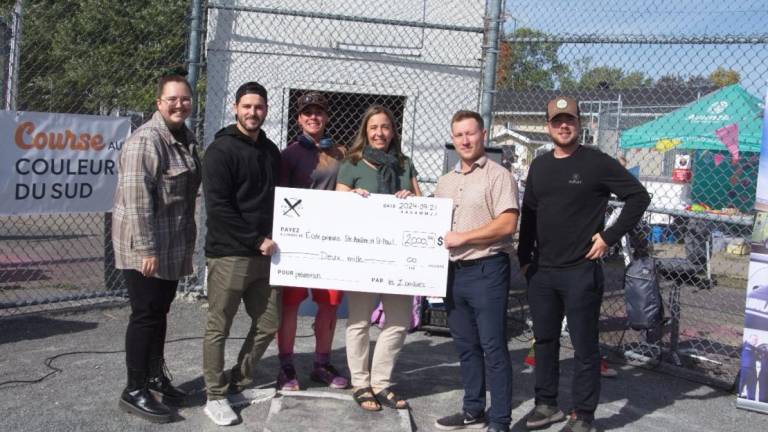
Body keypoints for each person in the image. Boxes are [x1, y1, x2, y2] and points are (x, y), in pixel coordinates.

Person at [518, 96, 650, 432]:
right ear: (548, 126)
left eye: (570, 120)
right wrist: (523, 259)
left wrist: (608, 236)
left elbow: (639, 197)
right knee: (544, 341)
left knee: (584, 346)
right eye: (557, 120)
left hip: (581, 271)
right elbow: (530, 214)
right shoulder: (540, 165)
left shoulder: (596, 163)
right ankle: (547, 405)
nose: (564, 126)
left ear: (580, 123)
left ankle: (583, 415)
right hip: (543, 272)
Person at [112, 74, 201, 423]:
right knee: (145, 314)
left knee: (160, 313)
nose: (180, 105)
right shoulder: (146, 142)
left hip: (170, 242)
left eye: (185, 99)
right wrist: (147, 249)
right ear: (158, 103)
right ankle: (134, 389)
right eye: (172, 99)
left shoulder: (183, 138)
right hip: (144, 246)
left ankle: (153, 377)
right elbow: (137, 201)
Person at [201, 81, 281, 426]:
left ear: (265, 110)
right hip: (230, 254)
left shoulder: (270, 150)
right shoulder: (220, 151)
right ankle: (214, 395)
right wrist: (255, 239)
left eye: (259, 107)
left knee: (268, 323)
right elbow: (218, 207)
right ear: (236, 108)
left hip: (266, 255)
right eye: (247, 106)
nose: (253, 113)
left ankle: (238, 382)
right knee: (220, 325)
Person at [433, 110, 519, 432]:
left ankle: (500, 420)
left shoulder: (498, 176)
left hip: (487, 269)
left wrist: (464, 237)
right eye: (459, 135)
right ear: (453, 139)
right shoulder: (445, 181)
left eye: (471, 133)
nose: (465, 140)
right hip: (454, 273)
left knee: (493, 346)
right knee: (466, 345)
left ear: (483, 135)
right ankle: (473, 410)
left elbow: (507, 223)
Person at [335, 105, 421, 411]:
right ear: (365, 131)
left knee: (397, 321)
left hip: (398, 259)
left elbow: (421, 206)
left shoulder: (404, 164)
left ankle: (381, 382)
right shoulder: (352, 163)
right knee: (358, 321)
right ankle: (360, 383)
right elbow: (336, 205)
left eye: (385, 127)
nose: (379, 133)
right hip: (362, 256)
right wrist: (350, 199)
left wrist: (411, 200)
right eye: (374, 127)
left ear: (393, 131)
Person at [276, 92, 349, 391]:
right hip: (296, 243)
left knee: (329, 304)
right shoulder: (289, 154)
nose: (313, 117)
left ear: (326, 117)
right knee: (290, 305)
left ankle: (321, 363)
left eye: (319, 111)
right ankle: (286, 366)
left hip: (330, 242)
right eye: (307, 112)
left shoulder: (341, 154)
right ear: (299, 119)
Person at [738, 334, 759, 400]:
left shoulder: (756, 350)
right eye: (753, 339)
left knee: (752, 389)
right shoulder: (744, 345)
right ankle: (738, 397)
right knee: (740, 386)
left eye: (756, 340)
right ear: (749, 339)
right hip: (744, 369)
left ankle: (750, 401)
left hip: (753, 371)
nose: (754, 341)